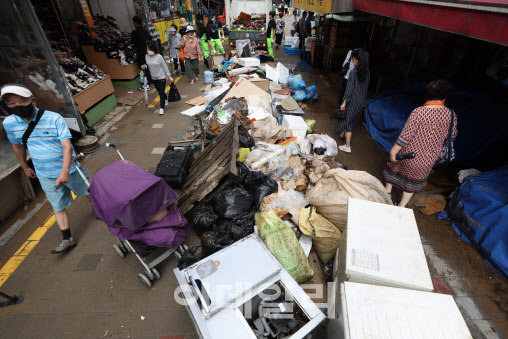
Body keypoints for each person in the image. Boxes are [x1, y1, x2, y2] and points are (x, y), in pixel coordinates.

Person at [1, 84, 90, 254]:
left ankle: (103, 211)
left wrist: (64, 172)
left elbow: (67, 147)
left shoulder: (53, 118)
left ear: (33, 101)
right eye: (11, 103)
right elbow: (18, 147)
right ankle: (67, 239)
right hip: (45, 174)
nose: (17, 106)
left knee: (89, 192)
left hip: (70, 170)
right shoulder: (9, 123)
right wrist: (25, 167)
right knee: (57, 206)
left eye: (22, 101)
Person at [384, 80, 458, 207]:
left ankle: (387, 193)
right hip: (427, 160)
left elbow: (405, 136)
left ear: (427, 95)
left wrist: (393, 151)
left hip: (408, 155)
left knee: (393, 169)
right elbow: (452, 136)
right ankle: (401, 205)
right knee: (412, 184)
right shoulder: (451, 115)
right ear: (445, 97)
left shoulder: (419, 112)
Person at [337, 48, 370, 154]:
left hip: (352, 101)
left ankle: (347, 146)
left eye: (353, 60)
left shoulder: (353, 73)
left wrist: (344, 102)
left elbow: (349, 90)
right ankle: (344, 134)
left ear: (355, 59)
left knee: (347, 123)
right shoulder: (367, 73)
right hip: (361, 102)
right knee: (351, 120)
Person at [141, 41, 174, 115]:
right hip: (153, 78)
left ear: (153, 49)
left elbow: (164, 67)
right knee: (160, 91)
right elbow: (148, 65)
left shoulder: (159, 57)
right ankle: (165, 98)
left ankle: (162, 108)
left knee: (161, 93)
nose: (148, 51)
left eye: (149, 49)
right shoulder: (146, 56)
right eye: (147, 49)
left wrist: (169, 76)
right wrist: (145, 66)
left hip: (161, 77)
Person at [131, 16, 153, 85]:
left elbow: (133, 41)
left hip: (141, 53)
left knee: (143, 67)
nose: (133, 24)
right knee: (148, 66)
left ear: (135, 23)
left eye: (134, 23)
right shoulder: (146, 31)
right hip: (148, 51)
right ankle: (151, 80)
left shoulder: (135, 32)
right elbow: (150, 39)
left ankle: (147, 82)